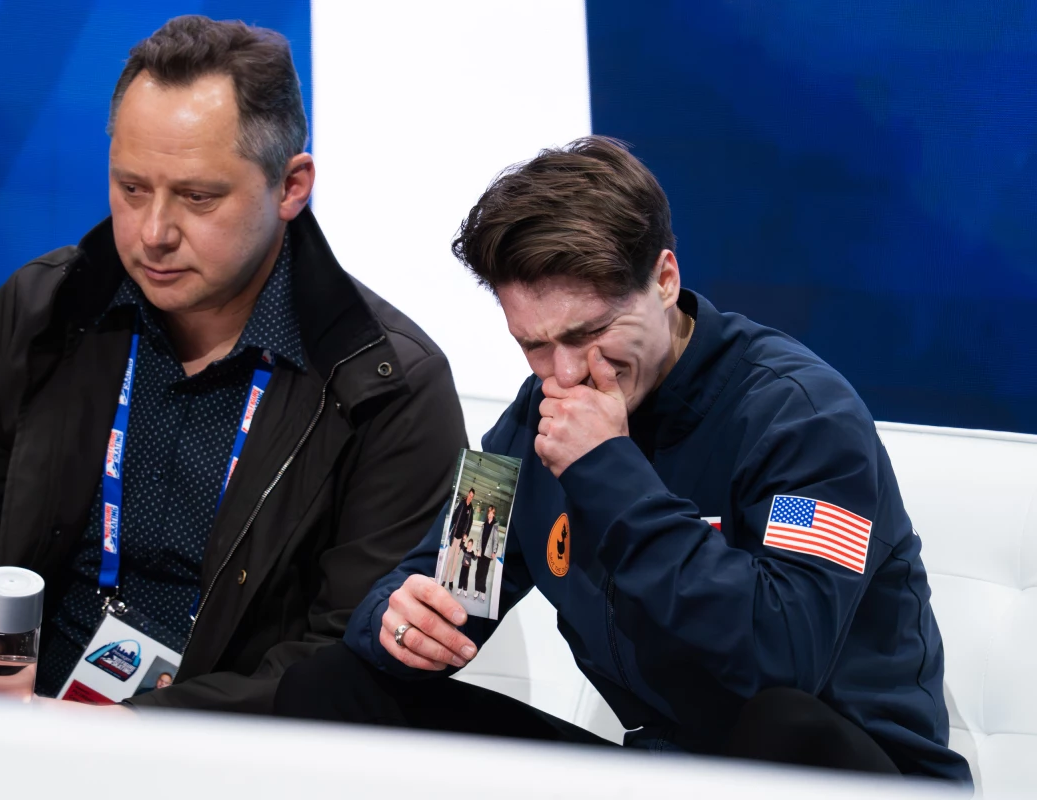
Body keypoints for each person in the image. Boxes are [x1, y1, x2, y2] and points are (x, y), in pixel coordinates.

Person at [275, 137, 972, 784]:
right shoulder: (530, 422)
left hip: (841, 774)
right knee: (332, 687)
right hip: (658, 775)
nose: (568, 372)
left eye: (591, 332)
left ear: (664, 278)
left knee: (780, 723)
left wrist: (607, 469)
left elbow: (780, 658)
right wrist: (396, 621)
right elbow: (447, 577)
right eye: (534, 345)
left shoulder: (802, 419)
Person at [0, 15, 466, 713]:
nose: (154, 233)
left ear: (291, 186)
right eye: (131, 188)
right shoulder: (39, 316)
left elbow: (348, 667)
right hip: (4, 735)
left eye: (198, 197)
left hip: (229, 767)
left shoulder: (387, 389)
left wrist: (132, 739)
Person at [440, 489, 475, 590]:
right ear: (468, 494)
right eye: (470, 495)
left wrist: (466, 534)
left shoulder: (471, 509)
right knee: (449, 558)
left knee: (455, 561)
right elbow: (455, 516)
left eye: (472, 496)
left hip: (461, 540)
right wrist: (451, 529)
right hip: (454, 536)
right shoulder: (462, 504)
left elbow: (470, 523)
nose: (470, 497)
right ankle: (444, 579)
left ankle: (451, 581)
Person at [473, 506, 497, 601]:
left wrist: (494, 551)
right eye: (489, 512)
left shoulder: (495, 525)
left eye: (492, 513)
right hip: (481, 552)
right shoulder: (484, 524)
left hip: (488, 553)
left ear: (494, 514)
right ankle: (477, 590)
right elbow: (479, 537)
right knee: (478, 571)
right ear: (488, 513)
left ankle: (482, 590)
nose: (490, 514)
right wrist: (478, 549)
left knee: (484, 572)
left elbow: (496, 540)